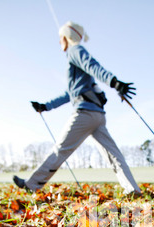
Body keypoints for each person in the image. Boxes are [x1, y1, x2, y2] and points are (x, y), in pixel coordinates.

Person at [13, 21, 141, 196]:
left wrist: (114, 82)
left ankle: (32, 185)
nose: (60, 42)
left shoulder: (75, 51)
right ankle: (132, 189)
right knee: (113, 154)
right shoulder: (77, 63)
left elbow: (92, 66)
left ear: (67, 37)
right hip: (98, 115)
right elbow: (70, 93)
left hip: (85, 113)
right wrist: (46, 106)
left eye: (61, 38)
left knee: (61, 149)